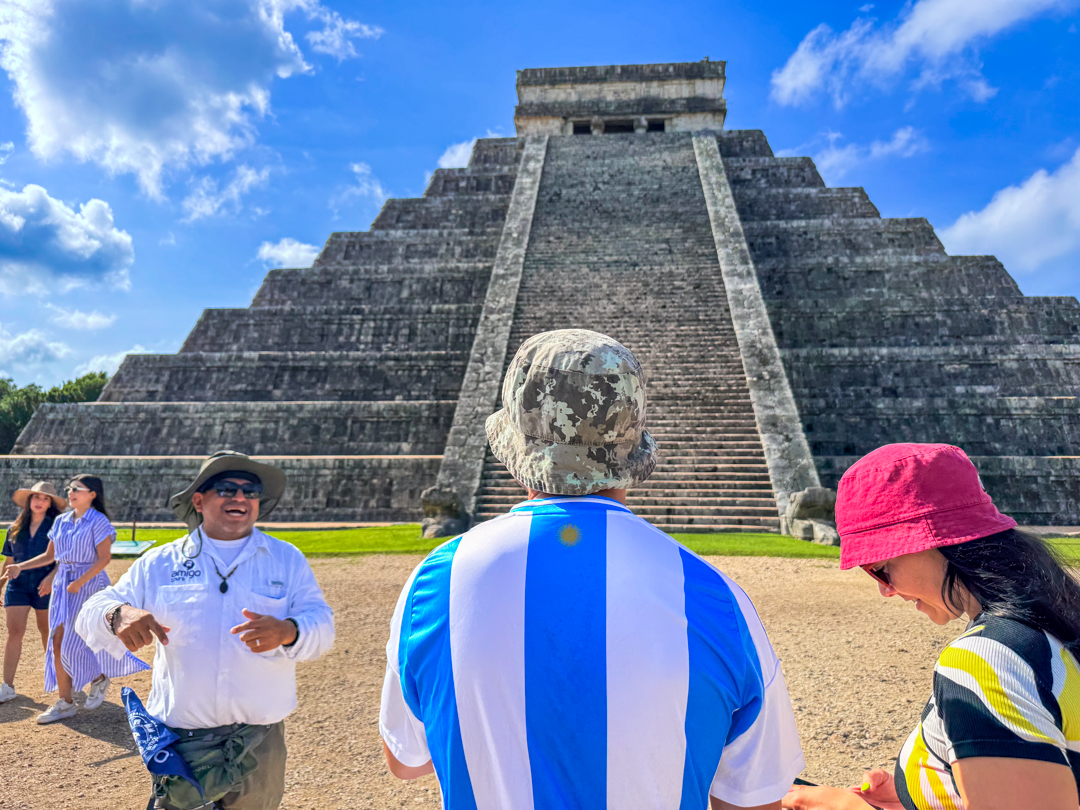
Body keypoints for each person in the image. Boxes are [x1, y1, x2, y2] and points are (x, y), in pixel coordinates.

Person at [380, 329, 805, 810]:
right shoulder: (715, 599)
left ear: (516, 449)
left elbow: (406, 760)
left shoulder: (436, 583)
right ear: (632, 445)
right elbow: (754, 797)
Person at [782, 443, 1080, 810]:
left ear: (936, 544)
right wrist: (928, 790)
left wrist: (852, 808)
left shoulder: (985, 661)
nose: (884, 590)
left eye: (880, 568)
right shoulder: (1053, 625)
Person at [76, 450, 335, 810]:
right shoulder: (160, 563)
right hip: (183, 743)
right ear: (198, 501)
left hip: (259, 743)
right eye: (227, 489)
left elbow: (323, 624)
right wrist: (117, 614)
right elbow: (90, 610)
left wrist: (289, 631)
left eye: (251, 491)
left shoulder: (286, 559)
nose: (241, 497)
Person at [3, 474, 147, 723]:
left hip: (89, 585)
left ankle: (98, 677)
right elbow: (50, 556)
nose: (71, 492)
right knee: (57, 641)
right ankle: (66, 702)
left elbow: (104, 558)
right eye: (70, 488)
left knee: (81, 639)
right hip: (63, 587)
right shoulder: (60, 521)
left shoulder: (98, 521)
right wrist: (20, 567)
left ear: (92, 494)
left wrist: (79, 582)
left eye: (77, 489)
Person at [0, 481, 65, 703]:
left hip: (44, 585)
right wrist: (0, 585)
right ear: (29, 500)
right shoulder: (14, 528)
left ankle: (57, 678)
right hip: (17, 586)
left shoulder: (57, 527)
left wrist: (51, 577)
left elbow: (64, 559)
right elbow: (9, 562)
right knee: (14, 633)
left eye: (45, 498)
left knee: (47, 632)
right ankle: (7, 686)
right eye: (36, 497)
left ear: (50, 504)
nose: (40, 501)